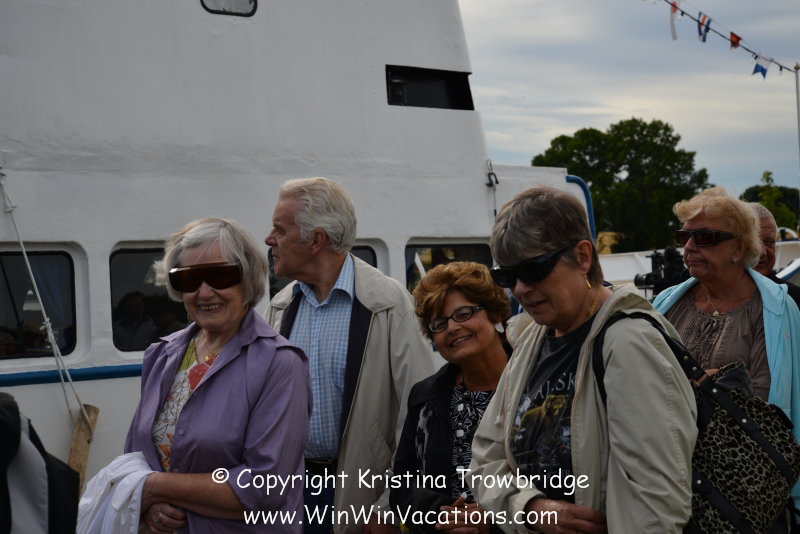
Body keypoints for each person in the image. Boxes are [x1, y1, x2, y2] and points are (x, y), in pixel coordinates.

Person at [468, 186, 697, 533]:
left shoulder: (629, 342)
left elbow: (657, 504)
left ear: (583, 257)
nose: (520, 289)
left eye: (533, 270)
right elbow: (486, 458)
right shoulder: (533, 337)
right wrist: (531, 508)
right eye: (506, 276)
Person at [262, 177, 436, 534]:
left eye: (279, 230)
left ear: (316, 240)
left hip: (365, 498)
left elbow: (421, 416)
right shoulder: (280, 307)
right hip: (292, 494)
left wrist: (390, 507)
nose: (269, 239)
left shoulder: (388, 303)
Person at [124, 217, 312, 532]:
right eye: (189, 279)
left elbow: (266, 487)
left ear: (248, 279)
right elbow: (134, 458)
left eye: (220, 276)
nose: (204, 292)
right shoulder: (161, 355)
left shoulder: (280, 364)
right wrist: (148, 508)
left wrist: (154, 487)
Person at [654, 189, 800, 509]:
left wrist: (679, 387)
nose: (689, 247)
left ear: (739, 248)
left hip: (745, 490)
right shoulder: (665, 304)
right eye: (684, 236)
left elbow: (761, 403)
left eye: (705, 237)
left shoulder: (776, 309)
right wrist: (713, 381)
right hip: (668, 482)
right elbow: (642, 387)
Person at [390, 262, 510, 533]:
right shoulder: (425, 397)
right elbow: (401, 487)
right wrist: (443, 515)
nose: (452, 328)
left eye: (463, 314)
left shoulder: (534, 388)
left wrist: (494, 522)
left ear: (495, 313)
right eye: (439, 324)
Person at [749, 202, 800, 309]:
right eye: (754, 242)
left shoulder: (794, 300)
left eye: (769, 242)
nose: (762, 252)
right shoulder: (715, 298)